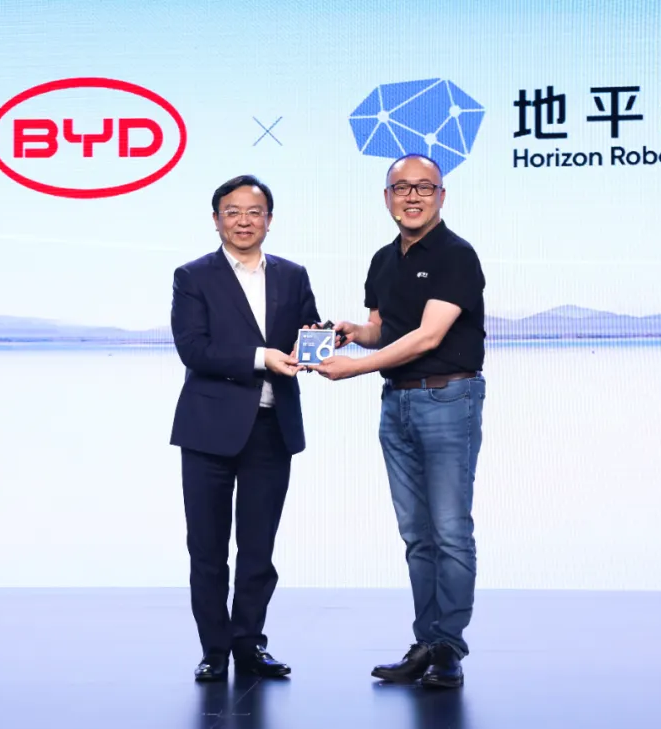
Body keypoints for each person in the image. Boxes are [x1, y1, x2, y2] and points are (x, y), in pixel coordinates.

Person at [314, 154, 485, 689]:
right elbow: (384, 330)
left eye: (424, 187)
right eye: (402, 188)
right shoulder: (383, 259)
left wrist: (356, 368)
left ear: (441, 195)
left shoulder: (457, 255)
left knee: (450, 531)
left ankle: (448, 649)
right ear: (386, 197)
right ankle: (427, 641)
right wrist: (351, 333)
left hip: (447, 399)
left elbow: (429, 336)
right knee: (416, 535)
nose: (412, 196)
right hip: (398, 403)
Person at [169, 174, 319, 682]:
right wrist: (261, 357)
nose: (243, 221)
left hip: (272, 428)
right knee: (207, 549)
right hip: (208, 430)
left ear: (269, 220)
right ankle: (214, 650)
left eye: (254, 212)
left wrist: (320, 342)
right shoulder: (193, 276)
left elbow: (307, 330)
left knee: (258, 549)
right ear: (216, 220)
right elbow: (194, 349)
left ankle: (250, 645)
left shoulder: (293, 275)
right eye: (232, 212)